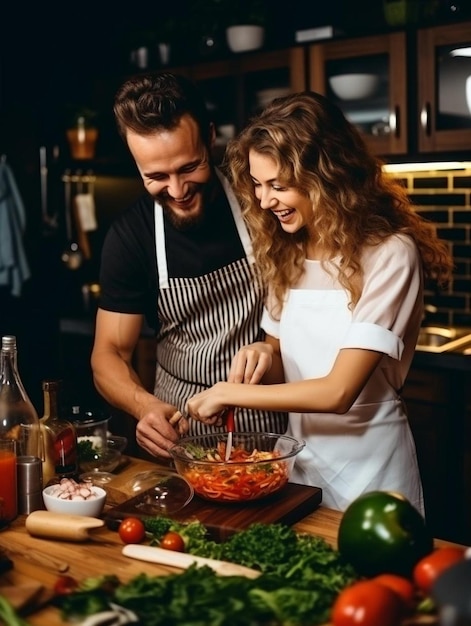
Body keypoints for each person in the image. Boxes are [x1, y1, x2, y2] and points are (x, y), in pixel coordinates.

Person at [185, 91, 453, 514]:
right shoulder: (285, 250)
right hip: (300, 467)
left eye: (279, 185)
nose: (263, 200)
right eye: (256, 184)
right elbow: (281, 355)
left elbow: (337, 391)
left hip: (374, 473)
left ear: (327, 177)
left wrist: (229, 391)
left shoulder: (390, 253)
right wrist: (261, 353)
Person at [90, 72, 287, 459]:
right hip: (182, 444)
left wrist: (272, 351)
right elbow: (108, 353)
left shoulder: (262, 202)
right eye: (156, 177)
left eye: (189, 167)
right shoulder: (131, 237)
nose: (178, 191)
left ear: (210, 137)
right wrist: (143, 406)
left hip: (273, 437)